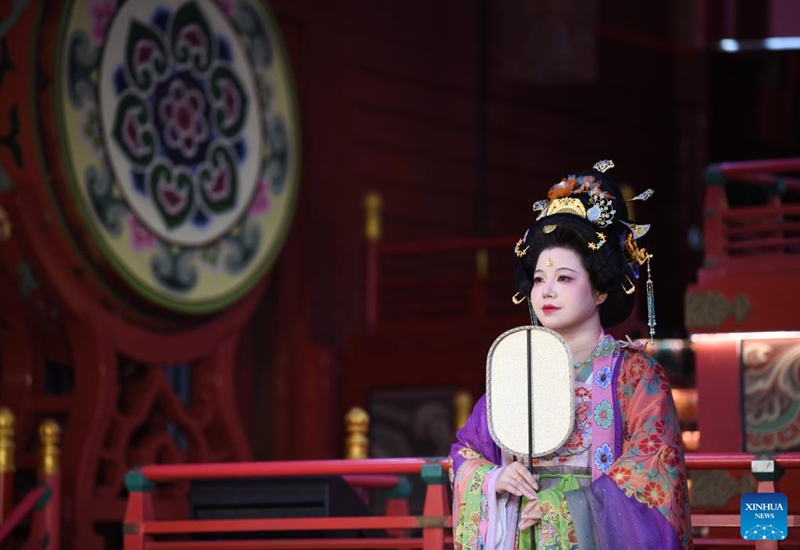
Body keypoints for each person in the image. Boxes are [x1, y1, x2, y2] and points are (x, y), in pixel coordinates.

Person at [449, 160, 692, 549]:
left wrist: (563, 509)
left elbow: (651, 477)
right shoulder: (517, 370)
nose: (547, 291)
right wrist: (495, 479)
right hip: (522, 534)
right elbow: (468, 451)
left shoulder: (634, 376)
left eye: (564, 278)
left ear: (599, 291)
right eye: (540, 280)